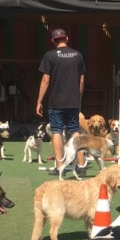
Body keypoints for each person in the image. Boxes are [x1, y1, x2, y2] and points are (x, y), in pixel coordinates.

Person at [36, 28, 87, 176]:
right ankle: (82, 165)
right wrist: (79, 99)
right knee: (74, 132)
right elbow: (81, 80)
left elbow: (46, 79)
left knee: (56, 131)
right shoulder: (78, 55)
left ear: (53, 41)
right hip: (73, 101)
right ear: (67, 38)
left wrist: (39, 101)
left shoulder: (50, 56)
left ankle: (60, 167)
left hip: (56, 101)